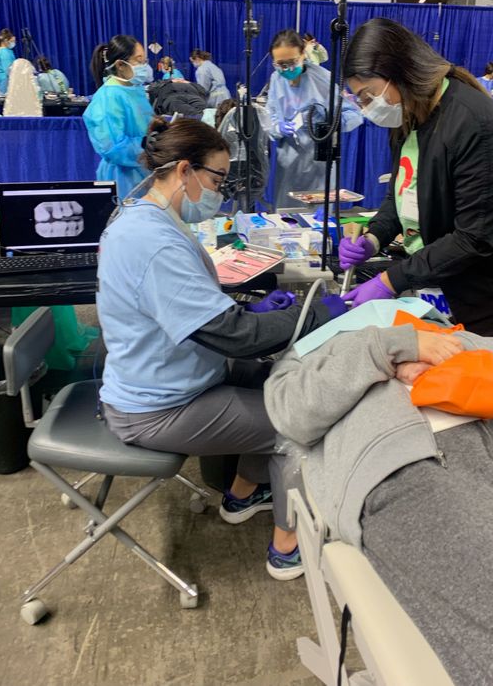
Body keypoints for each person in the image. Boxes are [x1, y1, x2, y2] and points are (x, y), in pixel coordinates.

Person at [264, 311, 493, 686]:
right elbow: (291, 412)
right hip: (412, 466)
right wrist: (390, 350)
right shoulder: (316, 344)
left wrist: (443, 346)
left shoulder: (435, 323)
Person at [96, 116, 346, 581]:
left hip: (172, 376)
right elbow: (229, 335)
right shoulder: (153, 241)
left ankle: (243, 494)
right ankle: (288, 549)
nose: (220, 191)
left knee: (272, 380)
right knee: (299, 421)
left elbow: (184, 309)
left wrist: (252, 312)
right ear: (184, 170)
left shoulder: (144, 217)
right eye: (217, 179)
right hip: (157, 408)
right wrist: (317, 314)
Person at [337, 18, 493, 357]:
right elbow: (401, 193)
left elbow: (474, 238)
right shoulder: (411, 114)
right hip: (447, 279)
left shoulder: (474, 123)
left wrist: (390, 280)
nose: (367, 108)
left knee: (477, 393)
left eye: (369, 95)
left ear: (400, 72)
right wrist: (373, 237)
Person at [266, 29, 363, 209]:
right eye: (280, 64)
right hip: (288, 163)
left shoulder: (323, 80)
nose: (286, 69)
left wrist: (325, 122)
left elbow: (354, 115)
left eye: (291, 62)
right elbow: (269, 116)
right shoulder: (276, 79)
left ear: (303, 54)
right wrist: (278, 128)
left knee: (317, 217)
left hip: (318, 161)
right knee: (287, 216)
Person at [83, 35, 154, 201]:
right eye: (138, 60)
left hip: (145, 172)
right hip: (124, 180)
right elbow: (113, 147)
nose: (144, 66)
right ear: (121, 65)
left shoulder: (135, 91)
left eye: (145, 61)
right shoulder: (108, 97)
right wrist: (150, 145)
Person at [0, 28, 16, 94]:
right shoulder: (4, 52)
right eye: (12, 41)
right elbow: (8, 70)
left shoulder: (2, 50)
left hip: (4, 79)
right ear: (6, 40)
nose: (13, 43)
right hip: (6, 81)